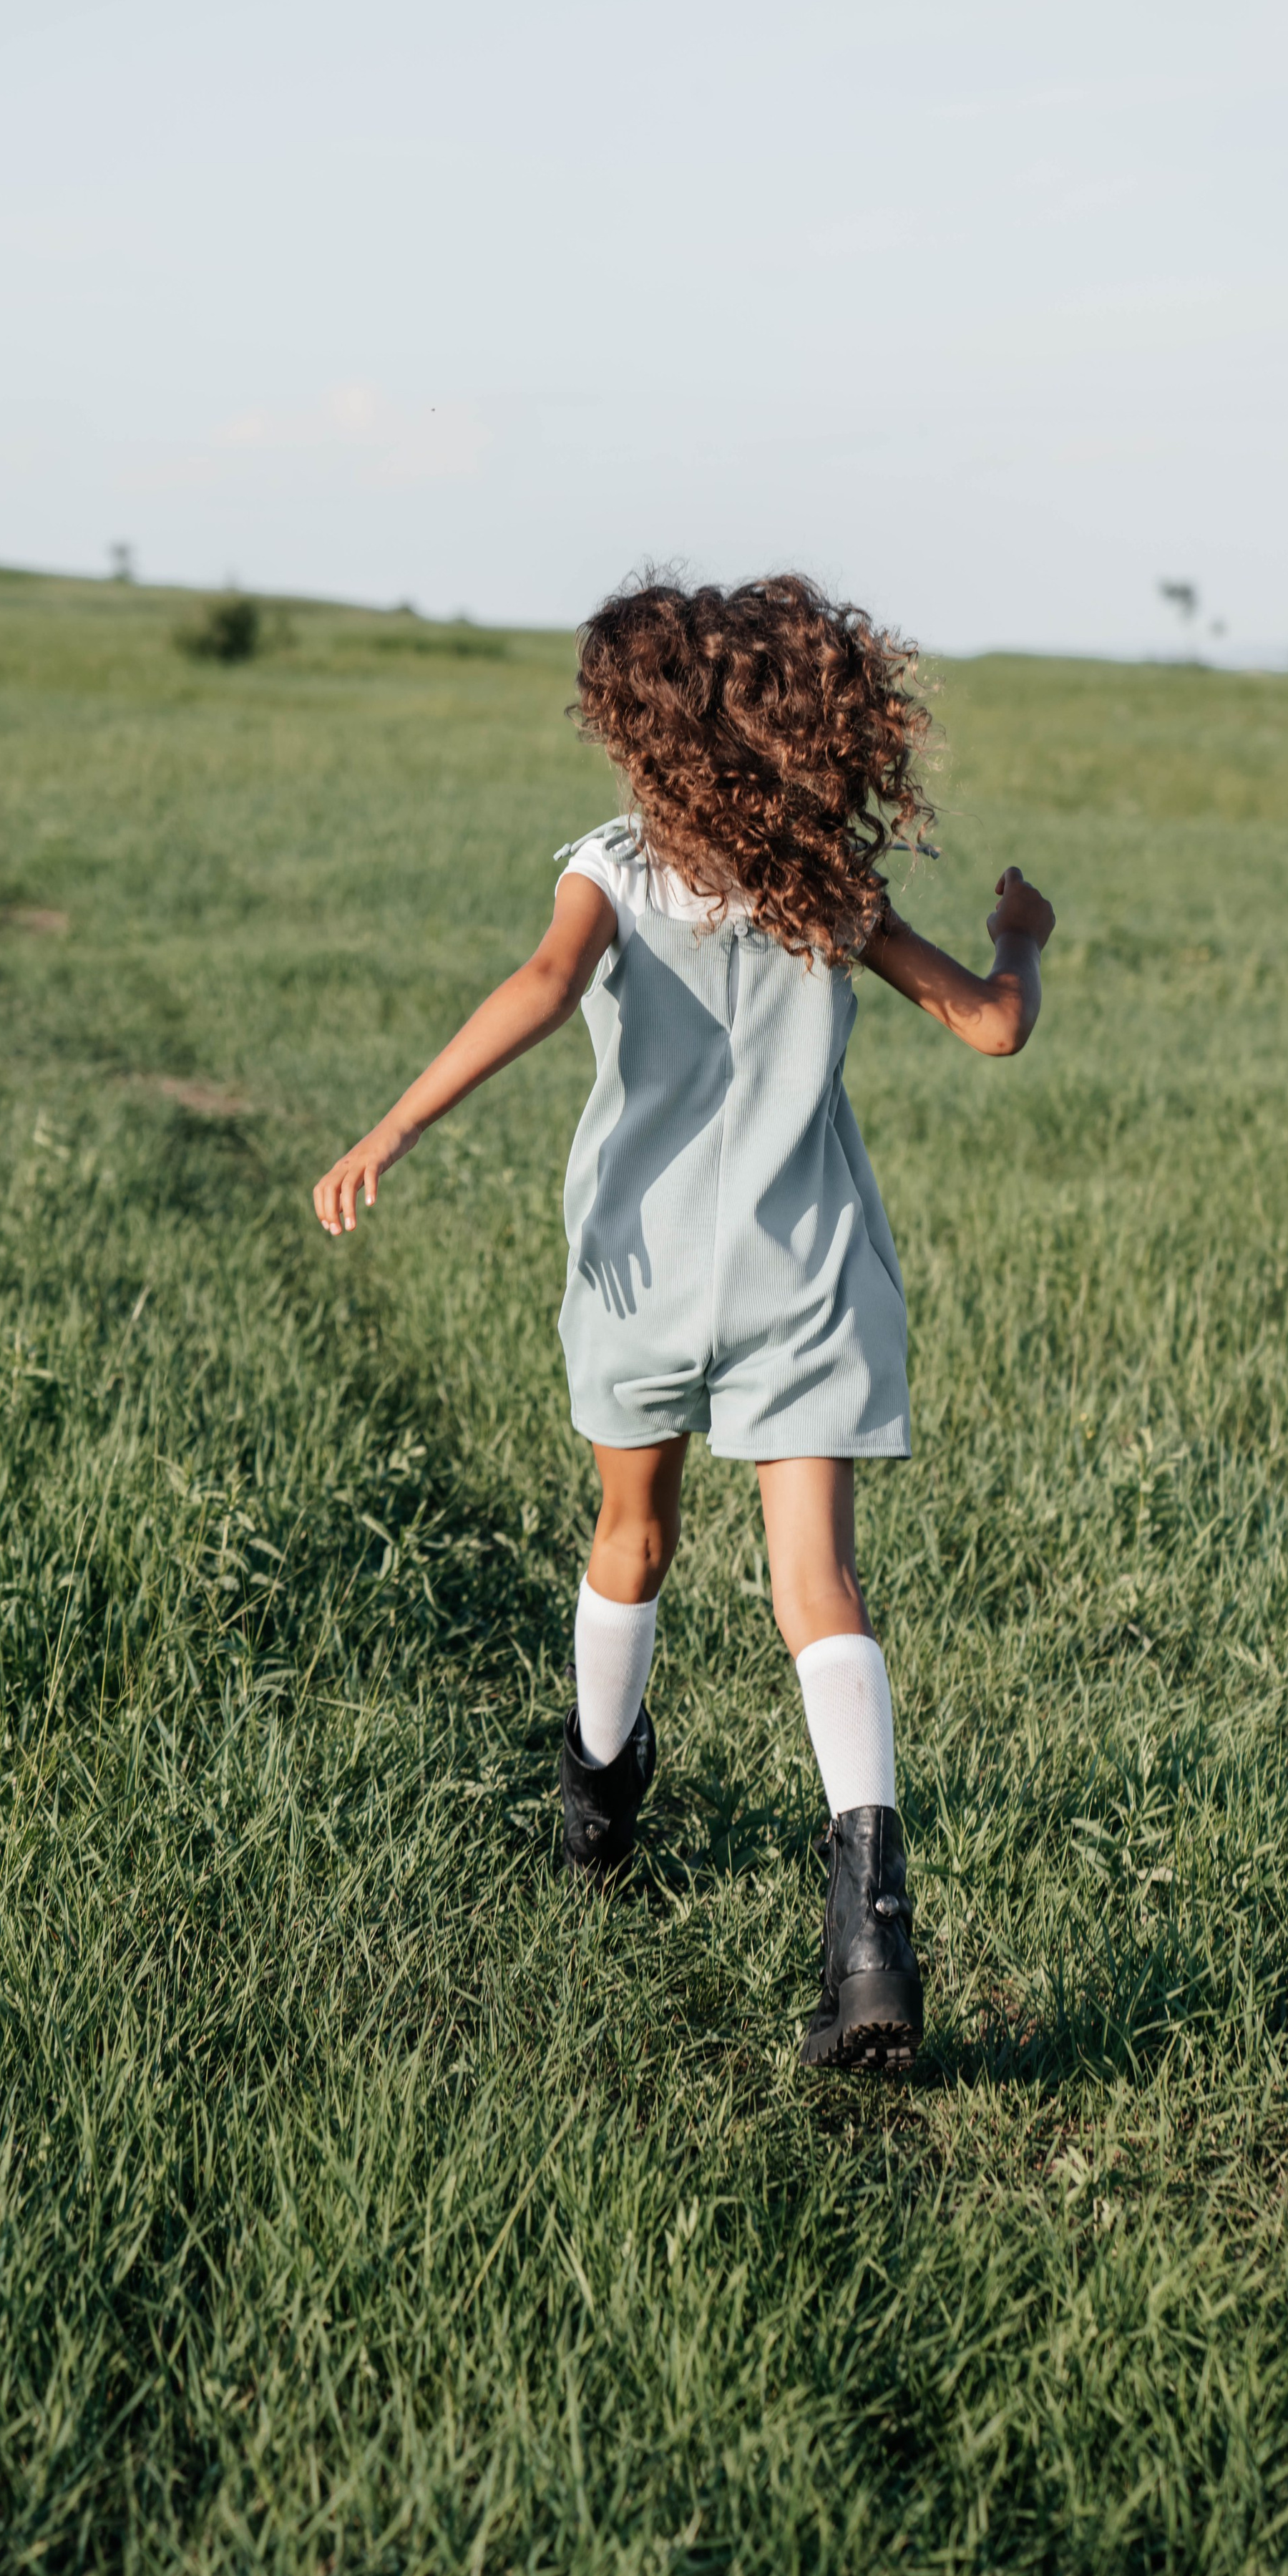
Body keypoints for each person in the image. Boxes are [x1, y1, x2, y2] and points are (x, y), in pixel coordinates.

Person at [311, 574, 1054, 2069]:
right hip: (808, 1273)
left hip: (642, 1273)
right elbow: (990, 1023)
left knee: (629, 1541)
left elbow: (539, 983)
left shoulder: (610, 868)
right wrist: (1019, 932)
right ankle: (867, 1937)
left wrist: (389, 1127)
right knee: (817, 1586)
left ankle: (595, 1804)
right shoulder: (825, 883)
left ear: (647, 739)